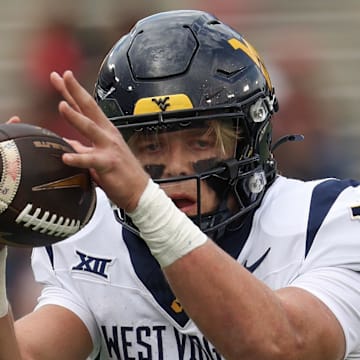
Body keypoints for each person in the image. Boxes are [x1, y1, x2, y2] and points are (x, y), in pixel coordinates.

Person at [0, 9, 359, 359]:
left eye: (200, 141)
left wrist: (147, 203)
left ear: (251, 140)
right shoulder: (93, 235)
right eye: (152, 145)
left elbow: (283, 348)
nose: (175, 167)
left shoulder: (325, 221)